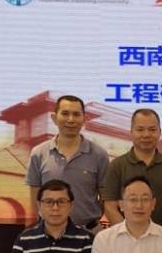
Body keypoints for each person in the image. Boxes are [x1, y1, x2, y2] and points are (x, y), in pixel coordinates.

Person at [25, 94, 110, 230]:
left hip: (89, 232)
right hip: (48, 232)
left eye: (76, 114)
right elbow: (35, 199)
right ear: (54, 118)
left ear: (84, 119)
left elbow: (107, 197)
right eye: (65, 114)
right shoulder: (38, 153)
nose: (71, 119)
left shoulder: (99, 155)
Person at [100, 108, 162, 231]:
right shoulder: (117, 165)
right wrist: (129, 235)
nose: (146, 135)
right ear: (131, 132)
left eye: (152, 130)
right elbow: (110, 206)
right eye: (140, 129)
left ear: (159, 132)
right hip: (126, 239)